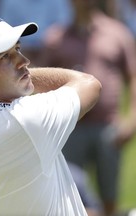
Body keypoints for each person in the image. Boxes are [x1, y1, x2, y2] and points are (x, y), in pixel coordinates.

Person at [0, 11, 101, 215]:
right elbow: (89, 84)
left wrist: (6, 76)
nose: (24, 61)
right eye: (5, 57)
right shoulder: (24, 120)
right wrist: (24, 76)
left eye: (17, 48)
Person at [38, 0, 136, 215]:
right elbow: (39, 83)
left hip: (108, 127)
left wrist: (132, 118)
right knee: (68, 193)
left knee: (109, 195)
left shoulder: (117, 33)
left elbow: (133, 76)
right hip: (69, 129)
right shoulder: (56, 38)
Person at [0, 0, 73, 66]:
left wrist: (52, 37)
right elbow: (3, 30)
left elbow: (65, 24)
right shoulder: (7, 2)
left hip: (51, 47)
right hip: (21, 47)